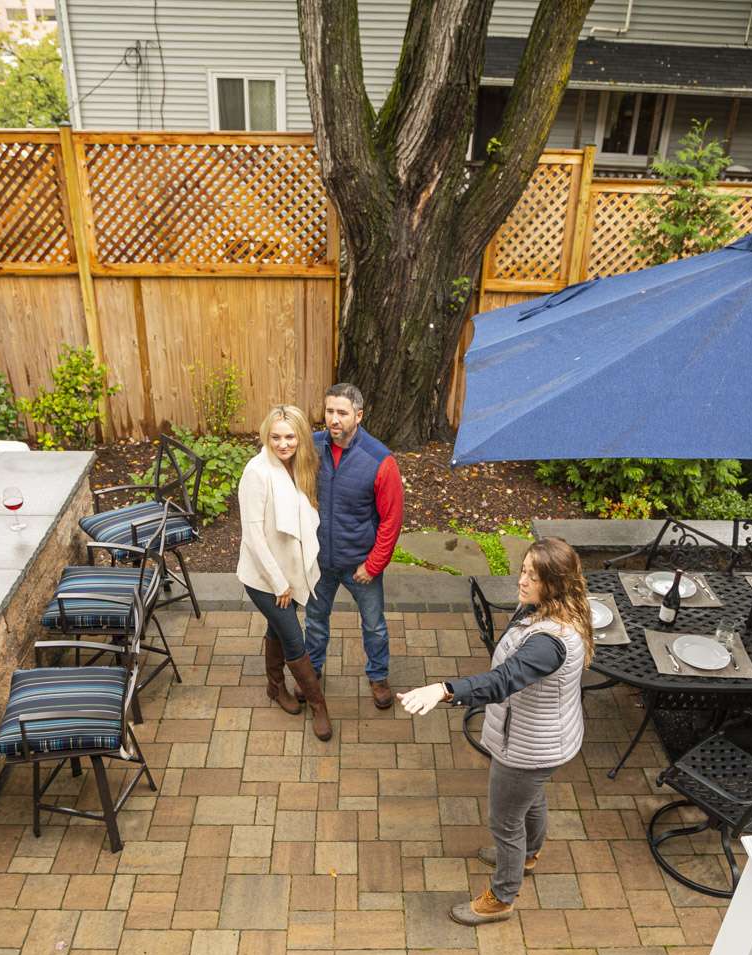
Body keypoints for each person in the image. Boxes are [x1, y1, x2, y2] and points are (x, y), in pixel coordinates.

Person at [399, 537, 592, 925]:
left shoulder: (548, 644)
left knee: (505, 821)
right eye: (523, 570)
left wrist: (443, 689)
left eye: (533, 577)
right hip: (548, 738)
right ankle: (530, 853)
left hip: (528, 746)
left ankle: (502, 897)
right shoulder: (557, 608)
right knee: (529, 797)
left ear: (555, 584)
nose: (521, 581)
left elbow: (503, 679)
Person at [305, 383, 403, 710]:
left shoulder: (380, 460)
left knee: (374, 625)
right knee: (315, 622)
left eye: (342, 413)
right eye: (329, 411)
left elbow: (391, 520)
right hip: (319, 561)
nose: (333, 419)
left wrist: (373, 565)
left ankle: (378, 675)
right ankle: (312, 673)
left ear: (358, 416)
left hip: (360, 563)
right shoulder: (312, 447)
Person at [237, 405, 332, 739]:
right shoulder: (257, 472)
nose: (283, 443)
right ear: (266, 436)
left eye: (290, 436)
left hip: (289, 573)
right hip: (265, 578)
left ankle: (274, 687)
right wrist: (279, 584)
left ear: (301, 436)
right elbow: (253, 536)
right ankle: (319, 705)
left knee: (278, 629)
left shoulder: (299, 466)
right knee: (294, 638)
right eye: (275, 436)